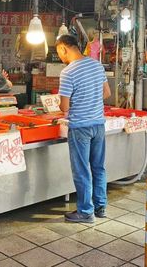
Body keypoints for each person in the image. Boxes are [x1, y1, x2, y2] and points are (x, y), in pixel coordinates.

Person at [56, 34, 111, 223]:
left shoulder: (68, 72)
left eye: (59, 52)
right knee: (98, 167)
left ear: (64, 48)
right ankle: (100, 206)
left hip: (80, 127)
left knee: (81, 170)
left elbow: (64, 107)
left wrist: (76, 103)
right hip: (98, 125)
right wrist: (91, 101)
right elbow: (107, 92)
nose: (60, 57)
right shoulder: (96, 65)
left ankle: (86, 211)